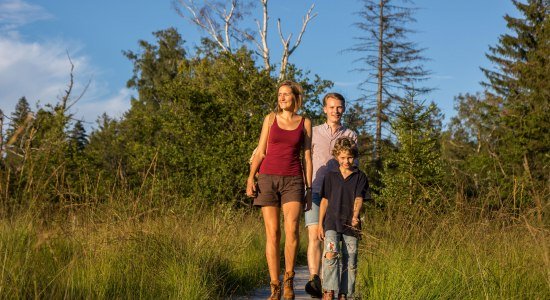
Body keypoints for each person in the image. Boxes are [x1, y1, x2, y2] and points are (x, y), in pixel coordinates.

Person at [246, 80, 313, 300]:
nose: (282, 97)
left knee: (292, 229)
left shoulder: (305, 122)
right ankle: (274, 286)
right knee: (272, 233)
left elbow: (307, 157)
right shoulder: (270, 119)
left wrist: (309, 187)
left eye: (286, 94)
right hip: (267, 179)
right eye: (279, 94)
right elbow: (261, 151)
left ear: (295, 97)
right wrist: (250, 178)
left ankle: (289, 281)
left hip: (293, 180)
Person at [304, 93, 357, 298]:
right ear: (324, 109)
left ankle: (330, 286)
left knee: (333, 240)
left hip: (339, 195)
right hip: (316, 191)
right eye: (332, 107)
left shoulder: (351, 134)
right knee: (314, 235)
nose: (335, 111)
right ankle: (315, 279)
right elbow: (301, 154)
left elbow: (353, 167)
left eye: (339, 107)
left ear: (343, 109)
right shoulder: (314, 132)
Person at [318, 137, 370, 300]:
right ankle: (329, 290)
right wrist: (320, 224)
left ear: (354, 156)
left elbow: (359, 198)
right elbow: (325, 200)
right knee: (331, 254)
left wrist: (355, 216)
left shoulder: (360, 176)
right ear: (336, 157)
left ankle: (344, 293)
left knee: (351, 259)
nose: (346, 161)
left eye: (349, 157)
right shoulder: (330, 176)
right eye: (342, 157)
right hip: (331, 222)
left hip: (351, 225)